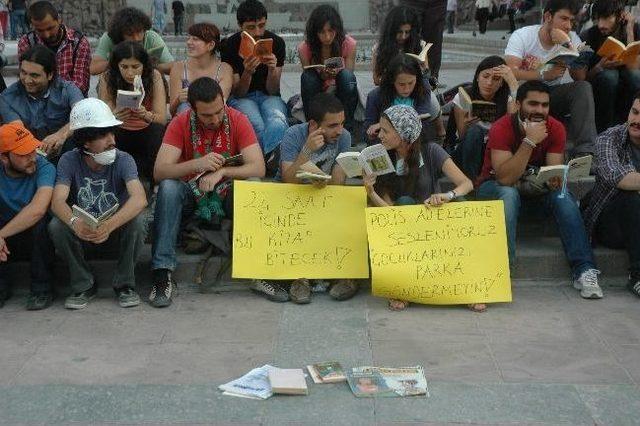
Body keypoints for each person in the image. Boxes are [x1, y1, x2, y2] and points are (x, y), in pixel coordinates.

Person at [475, 80, 602, 300]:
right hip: (493, 190)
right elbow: (505, 179)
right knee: (509, 193)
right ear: (518, 105)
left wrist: (555, 180)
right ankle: (503, 269)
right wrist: (529, 142)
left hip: (534, 192)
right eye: (533, 104)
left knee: (562, 194)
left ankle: (584, 270)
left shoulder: (555, 128)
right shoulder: (502, 127)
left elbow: (553, 173)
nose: (539, 110)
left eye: (545, 105)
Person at [150, 77, 265, 308]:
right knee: (169, 187)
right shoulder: (180, 123)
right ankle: (162, 273)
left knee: (253, 183)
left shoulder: (237, 119)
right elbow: (160, 172)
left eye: (218, 111)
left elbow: (258, 167)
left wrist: (222, 172)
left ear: (223, 102)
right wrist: (197, 164)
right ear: (192, 110)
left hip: (224, 193)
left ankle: (258, 269)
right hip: (191, 195)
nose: (214, 119)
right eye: (206, 115)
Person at [363, 105, 474, 311]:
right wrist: (372, 193)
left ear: (404, 134)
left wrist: (447, 195)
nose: (381, 135)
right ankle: (404, 288)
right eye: (381, 129)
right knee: (404, 202)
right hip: (406, 232)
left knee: (460, 203)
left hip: (436, 224)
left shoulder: (431, 150)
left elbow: (466, 184)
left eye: (386, 131)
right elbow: (390, 212)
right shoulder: (381, 157)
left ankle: (468, 285)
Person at [251, 93, 358, 304]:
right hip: (292, 197)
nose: (339, 130)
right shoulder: (293, 135)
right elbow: (289, 179)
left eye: (342, 123)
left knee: (346, 208)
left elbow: (338, 184)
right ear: (313, 125)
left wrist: (336, 176)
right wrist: (307, 150)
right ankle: (300, 278)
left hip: (322, 195)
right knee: (299, 218)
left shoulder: (343, 137)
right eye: (332, 125)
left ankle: (345, 275)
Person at [48, 98, 147, 310]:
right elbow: (57, 202)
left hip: (116, 231)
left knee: (139, 221)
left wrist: (109, 225)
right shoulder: (68, 160)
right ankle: (83, 284)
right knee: (56, 225)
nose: (112, 140)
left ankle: (125, 284)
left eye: (112, 133)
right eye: (103, 135)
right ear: (85, 141)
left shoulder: (124, 159)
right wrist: (75, 223)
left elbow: (139, 198)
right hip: (83, 232)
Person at [504, 0, 597, 156]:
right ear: (548, 16)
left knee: (583, 88)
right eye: (564, 18)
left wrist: (569, 48)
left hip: (551, 96)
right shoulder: (523, 35)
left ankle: (586, 152)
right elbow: (511, 71)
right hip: (522, 96)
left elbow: (580, 78)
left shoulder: (571, 38)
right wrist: (543, 75)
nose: (568, 26)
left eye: (572, 21)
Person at [583, 94, 640, 298]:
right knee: (631, 196)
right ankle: (637, 276)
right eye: (634, 112)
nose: (636, 121)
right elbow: (618, 178)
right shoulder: (609, 138)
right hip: (610, 223)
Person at [221, 0, 288, 159]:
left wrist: (272, 69)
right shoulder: (230, 45)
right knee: (256, 123)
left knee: (277, 120)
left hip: (269, 96)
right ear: (240, 25)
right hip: (244, 98)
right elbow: (238, 93)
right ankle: (265, 161)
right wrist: (248, 72)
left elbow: (273, 90)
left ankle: (262, 161)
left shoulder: (276, 43)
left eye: (262, 25)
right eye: (251, 27)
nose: (258, 32)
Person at [0, 123, 56, 310]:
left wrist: (1, 235)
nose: (32, 157)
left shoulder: (44, 166)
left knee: (43, 224)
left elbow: (38, 208)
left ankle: (42, 289)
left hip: (31, 232)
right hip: (5, 231)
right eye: (23, 154)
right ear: (4, 158)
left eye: (32, 149)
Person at [98, 41, 167, 183]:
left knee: (158, 130)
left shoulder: (154, 76)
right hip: (120, 129)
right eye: (124, 67)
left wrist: (146, 115)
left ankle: (154, 181)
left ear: (144, 65)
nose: (130, 72)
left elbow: (161, 118)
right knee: (103, 131)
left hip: (146, 129)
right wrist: (114, 115)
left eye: (135, 67)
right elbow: (104, 113)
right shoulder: (107, 77)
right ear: (117, 66)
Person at [0, 45, 83, 158]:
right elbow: (18, 132)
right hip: (31, 157)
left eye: (34, 75)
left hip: (71, 155)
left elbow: (83, 114)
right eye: (23, 73)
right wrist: (43, 148)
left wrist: (61, 135)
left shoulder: (67, 89)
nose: (27, 80)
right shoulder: (7, 98)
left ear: (50, 75)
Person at [451, 55, 518, 182]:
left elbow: (514, 128)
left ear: (501, 83)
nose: (489, 83)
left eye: (496, 79)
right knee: (475, 131)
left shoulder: (507, 100)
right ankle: (470, 184)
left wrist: (513, 83)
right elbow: (461, 135)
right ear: (477, 77)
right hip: (467, 151)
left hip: (493, 151)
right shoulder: (463, 96)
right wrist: (466, 124)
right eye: (485, 76)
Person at [580, 0, 640, 133]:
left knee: (635, 76)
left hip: (628, 85)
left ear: (620, 16)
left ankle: (631, 125)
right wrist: (600, 66)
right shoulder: (589, 36)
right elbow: (583, 79)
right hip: (601, 87)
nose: (601, 24)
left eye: (606, 18)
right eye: (597, 19)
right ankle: (605, 131)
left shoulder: (634, 29)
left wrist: (629, 30)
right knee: (609, 76)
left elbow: (635, 68)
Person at [298, 4, 357, 131]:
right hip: (318, 89)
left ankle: (347, 127)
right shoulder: (305, 47)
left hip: (340, 87)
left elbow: (349, 75)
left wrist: (335, 75)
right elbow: (308, 76)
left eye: (331, 31)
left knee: (347, 76)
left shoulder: (349, 44)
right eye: (322, 32)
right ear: (315, 32)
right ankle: (312, 128)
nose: (327, 36)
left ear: (337, 29)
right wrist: (323, 76)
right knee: (308, 77)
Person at [19, 1, 91, 96]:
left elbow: (80, 84)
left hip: (70, 101)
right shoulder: (26, 42)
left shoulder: (79, 42)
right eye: (40, 30)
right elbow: (26, 79)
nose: (46, 35)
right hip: (36, 101)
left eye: (50, 28)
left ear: (59, 20)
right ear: (32, 26)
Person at [364, 54, 439, 145]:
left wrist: (385, 124)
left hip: (415, 144)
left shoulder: (422, 88)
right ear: (392, 81)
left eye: (411, 83)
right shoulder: (375, 96)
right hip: (386, 145)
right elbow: (368, 131)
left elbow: (423, 118)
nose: (407, 89)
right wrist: (371, 133)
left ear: (417, 79)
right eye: (401, 84)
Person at [169, 22, 233, 116]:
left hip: (213, 120)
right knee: (184, 108)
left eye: (195, 39)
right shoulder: (178, 68)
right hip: (184, 121)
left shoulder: (225, 69)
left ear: (210, 45)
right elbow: (172, 111)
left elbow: (220, 105)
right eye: (189, 38)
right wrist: (178, 99)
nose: (189, 42)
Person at [90, 7, 174, 76]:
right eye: (130, 34)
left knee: (157, 76)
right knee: (104, 79)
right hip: (116, 84)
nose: (137, 38)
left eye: (139, 31)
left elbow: (172, 67)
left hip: (148, 83)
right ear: (120, 34)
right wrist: (118, 61)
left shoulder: (151, 37)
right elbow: (93, 68)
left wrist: (149, 65)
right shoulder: (109, 38)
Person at [372, 5, 425, 86]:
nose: (403, 36)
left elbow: (425, 75)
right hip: (390, 89)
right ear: (391, 31)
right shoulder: (379, 48)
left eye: (407, 32)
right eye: (399, 32)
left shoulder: (419, 45)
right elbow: (376, 79)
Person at [398, 0, 447, 78]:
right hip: (411, 2)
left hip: (437, 3)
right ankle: (403, 77)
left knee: (434, 41)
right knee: (407, 35)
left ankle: (431, 80)